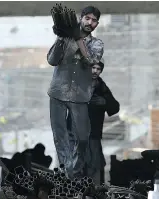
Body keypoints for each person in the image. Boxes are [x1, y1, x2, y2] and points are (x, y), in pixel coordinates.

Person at [47, 6, 104, 179]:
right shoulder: (66, 39)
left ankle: (73, 170)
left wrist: (78, 39)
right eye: (87, 18)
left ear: (97, 24)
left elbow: (92, 60)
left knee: (82, 138)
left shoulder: (97, 44)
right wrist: (61, 38)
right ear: (81, 18)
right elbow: (51, 60)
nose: (90, 23)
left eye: (94, 20)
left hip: (79, 97)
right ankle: (67, 174)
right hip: (57, 93)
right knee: (60, 136)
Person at [68, 58, 120, 184]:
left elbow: (115, 107)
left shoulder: (101, 87)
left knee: (94, 167)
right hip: (76, 135)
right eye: (93, 68)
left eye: (98, 69)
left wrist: (104, 102)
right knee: (75, 169)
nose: (95, 71)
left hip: (93, 136)